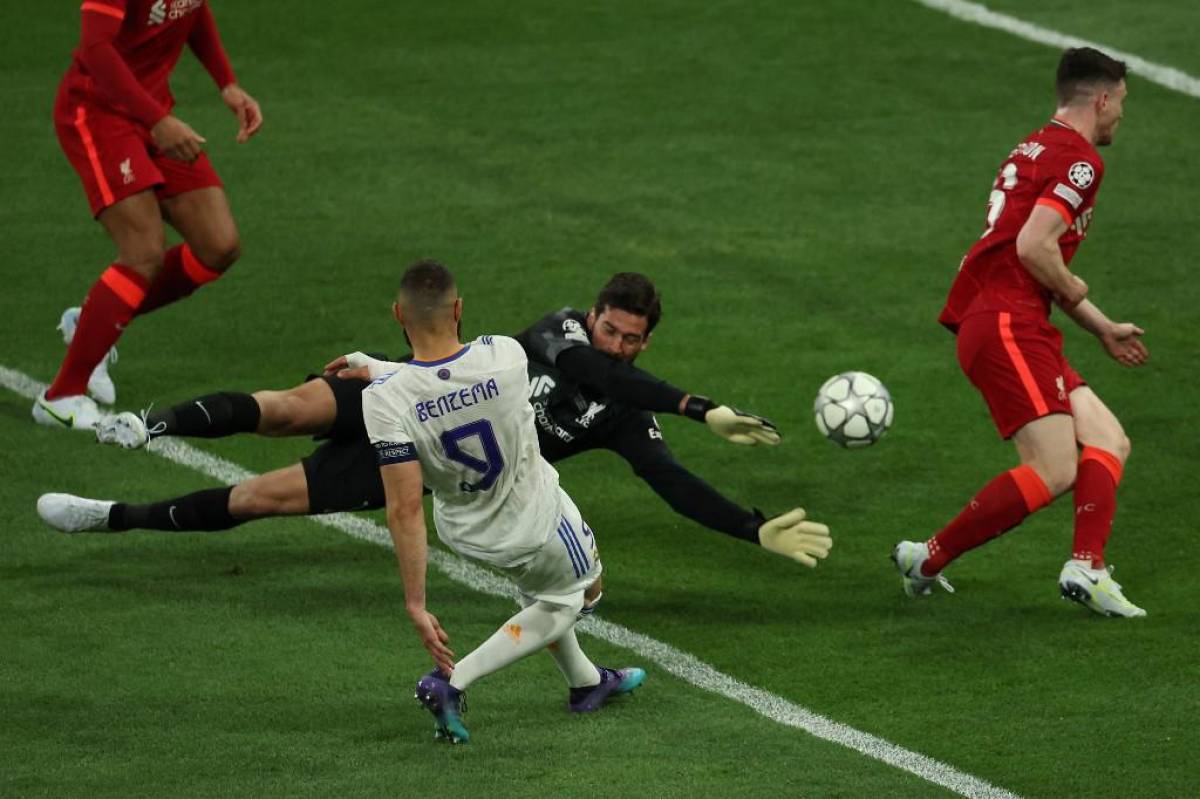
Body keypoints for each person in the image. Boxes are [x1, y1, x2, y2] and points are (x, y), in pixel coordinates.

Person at [39, 274, 832, 568]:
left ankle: (109, 517)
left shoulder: (623, 412)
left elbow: (671, 480)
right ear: (590, 315)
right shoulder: (560, 334)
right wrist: (699, 405)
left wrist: (752, 527)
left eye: (631, 338)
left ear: (647, 341)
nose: (614, 344)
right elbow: (584, 367)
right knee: (283, 408)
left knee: (258, 499)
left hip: (416, 460)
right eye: (609, 327)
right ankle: (153, 424)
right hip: (400, 386)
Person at [892, 48, 1148, 618]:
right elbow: (1034, 247)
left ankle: (1086, 566)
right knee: (1055, 467)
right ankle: (928, 558)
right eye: (1122, 104)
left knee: (1108, 437)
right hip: (1007, 322)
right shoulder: (1081, 161)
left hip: (1010, 317)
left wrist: (1101, 327)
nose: (1121, 117)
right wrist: (1078, 293)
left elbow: (1030, 254)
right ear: (1102, 99)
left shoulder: (1035, 145)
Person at [381, 260, 646, 741]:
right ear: (458, 309)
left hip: (466, 531)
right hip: (537, 519)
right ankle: (452, 681)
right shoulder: (504, 355)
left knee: (542, 587)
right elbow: (458, 379)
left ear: (399, 315)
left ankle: (586, 683)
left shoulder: (381, 398)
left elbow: (402, 507)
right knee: (576, 596)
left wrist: (416, 603)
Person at [34, 0, 262, 430]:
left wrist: (226, 83)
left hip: (150, 111)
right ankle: (60, 396)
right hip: (97, 113)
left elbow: (191, 8)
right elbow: (95, 49)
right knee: (143, 251)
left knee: (218, 245)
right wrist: (157, 120)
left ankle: (92, 324)